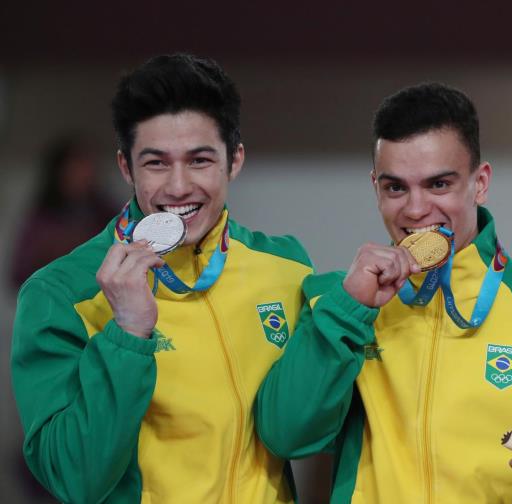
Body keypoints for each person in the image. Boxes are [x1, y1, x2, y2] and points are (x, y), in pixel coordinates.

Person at [254, 83, 512, 503]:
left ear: (480, 183)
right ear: (376, 187)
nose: (415, 210)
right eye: (396, 188)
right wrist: (349, 309)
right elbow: (286, 436)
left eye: (438, 185)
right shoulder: (337, 304)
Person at [11, 54, 313, 503]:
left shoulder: (284, 266)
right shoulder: (62, 292)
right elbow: (74, 478)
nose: (177, 186)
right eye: (155, 163)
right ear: (125, 167)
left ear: (235, 161)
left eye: (200, 160)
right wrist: (128, 335)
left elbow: (307, 434)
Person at [9, 135, 119, 288]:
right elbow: (18, 274)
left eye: (89, 164)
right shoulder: (41, 219)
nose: (86, 172)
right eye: (78, 165)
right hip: (54, 297)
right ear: (60, 171)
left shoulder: (106, 212)